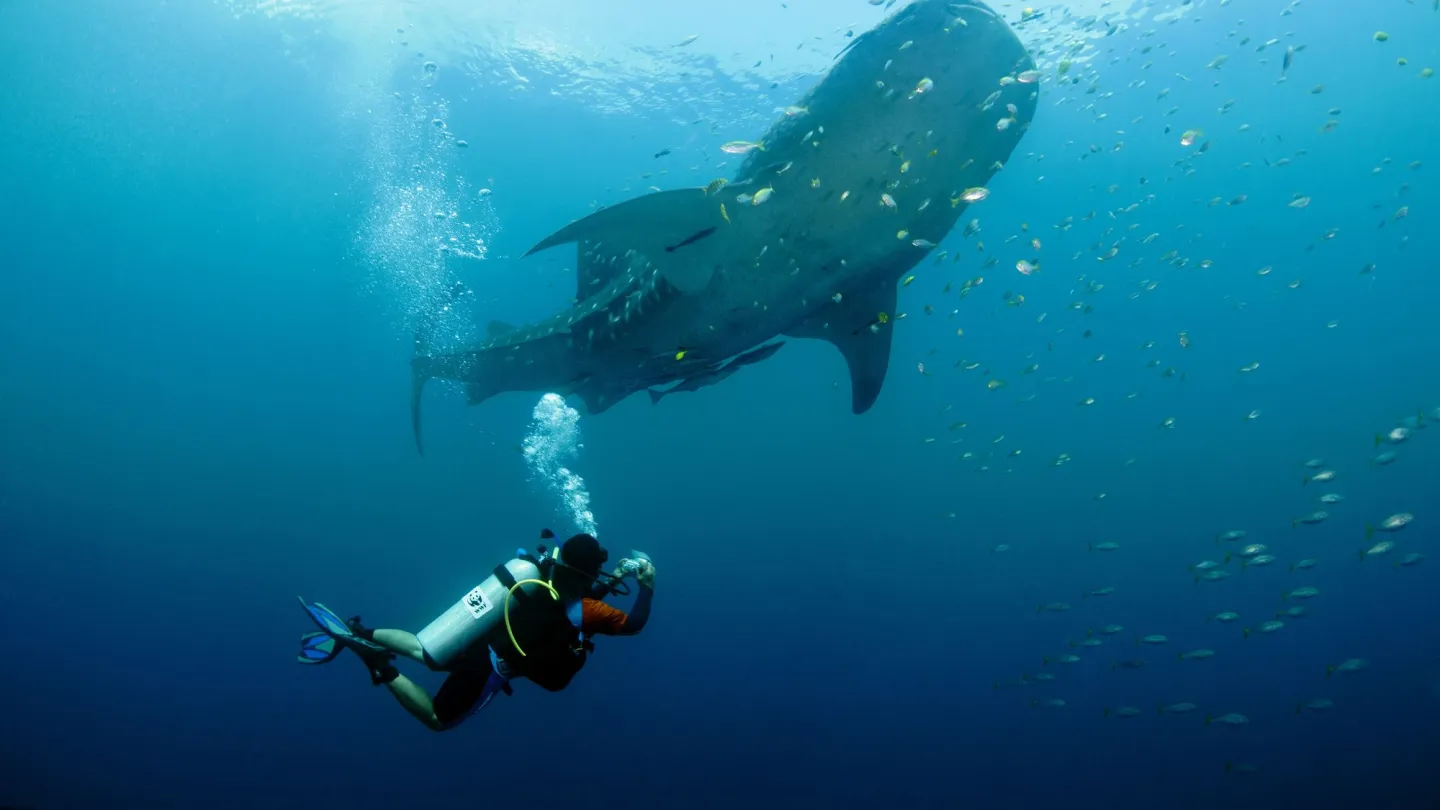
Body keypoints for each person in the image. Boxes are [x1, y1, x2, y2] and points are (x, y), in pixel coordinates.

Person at [298, 532, 655, 731]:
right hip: (491, 669)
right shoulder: (587, 609)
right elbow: (633, 624)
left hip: (475, 638)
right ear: (589, 573)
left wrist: (615, 577)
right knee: (438, 719)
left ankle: (360, 630)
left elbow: (577, 594)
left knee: (428, 653)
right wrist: (647, 587)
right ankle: (379, 663)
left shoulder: (538, 574)